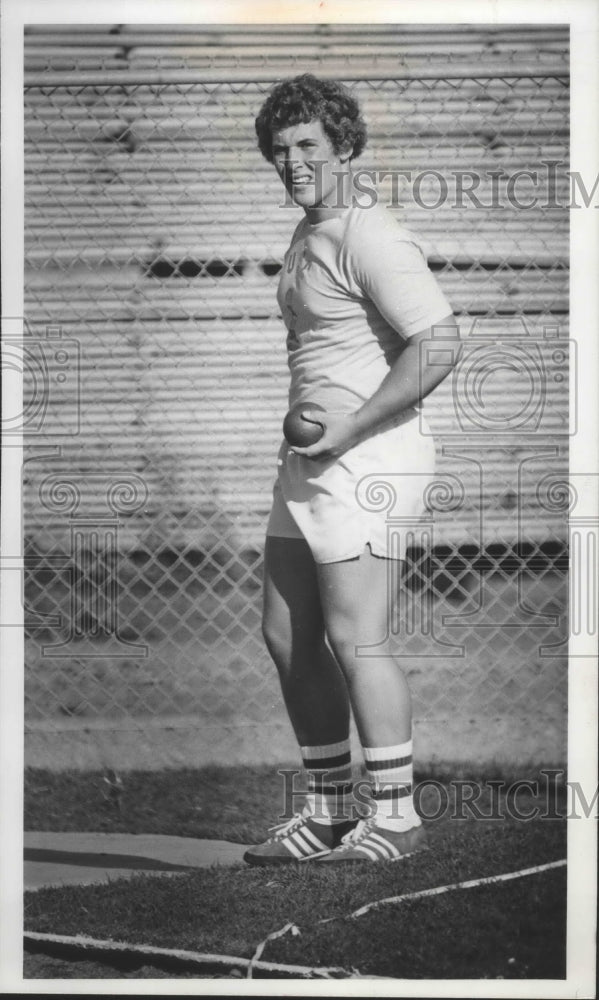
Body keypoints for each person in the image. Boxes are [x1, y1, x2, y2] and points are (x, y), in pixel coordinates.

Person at [244, 74, 460, 865]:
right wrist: (317, 437)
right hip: (311, 461)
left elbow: (438, 342)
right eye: (279, 151)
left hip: (370, 457)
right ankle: (331, 812)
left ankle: (396, 818)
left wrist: (351, 427)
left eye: (307, 146)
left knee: (354, 637)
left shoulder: (369, 232)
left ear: (343, 146)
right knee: (286, 633)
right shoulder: (310, 233)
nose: (292, 163)